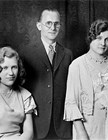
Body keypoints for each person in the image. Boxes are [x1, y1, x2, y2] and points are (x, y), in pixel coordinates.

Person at [19, 7, 73, 140]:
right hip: (36, 124)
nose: (52, 27)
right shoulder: (26, 53)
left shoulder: (68, 54)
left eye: (56, 24)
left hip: (62, 125)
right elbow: (20, 88)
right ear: (39, 26)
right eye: (48, 23)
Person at [63, 19, 108, 140]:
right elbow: (71, 103)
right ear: (91, 38)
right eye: (99, 38)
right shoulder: (77, 65)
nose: (103, 43)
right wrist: (82, 135)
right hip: (87, 128)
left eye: (107, 39)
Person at [0, 46, 36, 140]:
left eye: (14, 67)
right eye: (5, 68)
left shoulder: (25, 95)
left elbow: (29, 133)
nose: (11, 73)